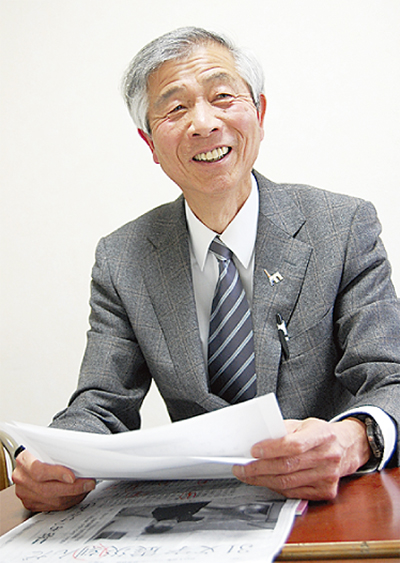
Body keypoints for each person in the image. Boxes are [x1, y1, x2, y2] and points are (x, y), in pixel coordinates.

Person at [12, 27, 400, 512]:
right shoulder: (122, 258)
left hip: (334, 504)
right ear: (150, 143)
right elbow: (101, 404)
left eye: (222, 97)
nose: (203, 123)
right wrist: (48, 460)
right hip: (202, 513)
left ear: (259, 113)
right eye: (175, 108)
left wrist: (353, 440)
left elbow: (390, 378)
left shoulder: (341, 226)